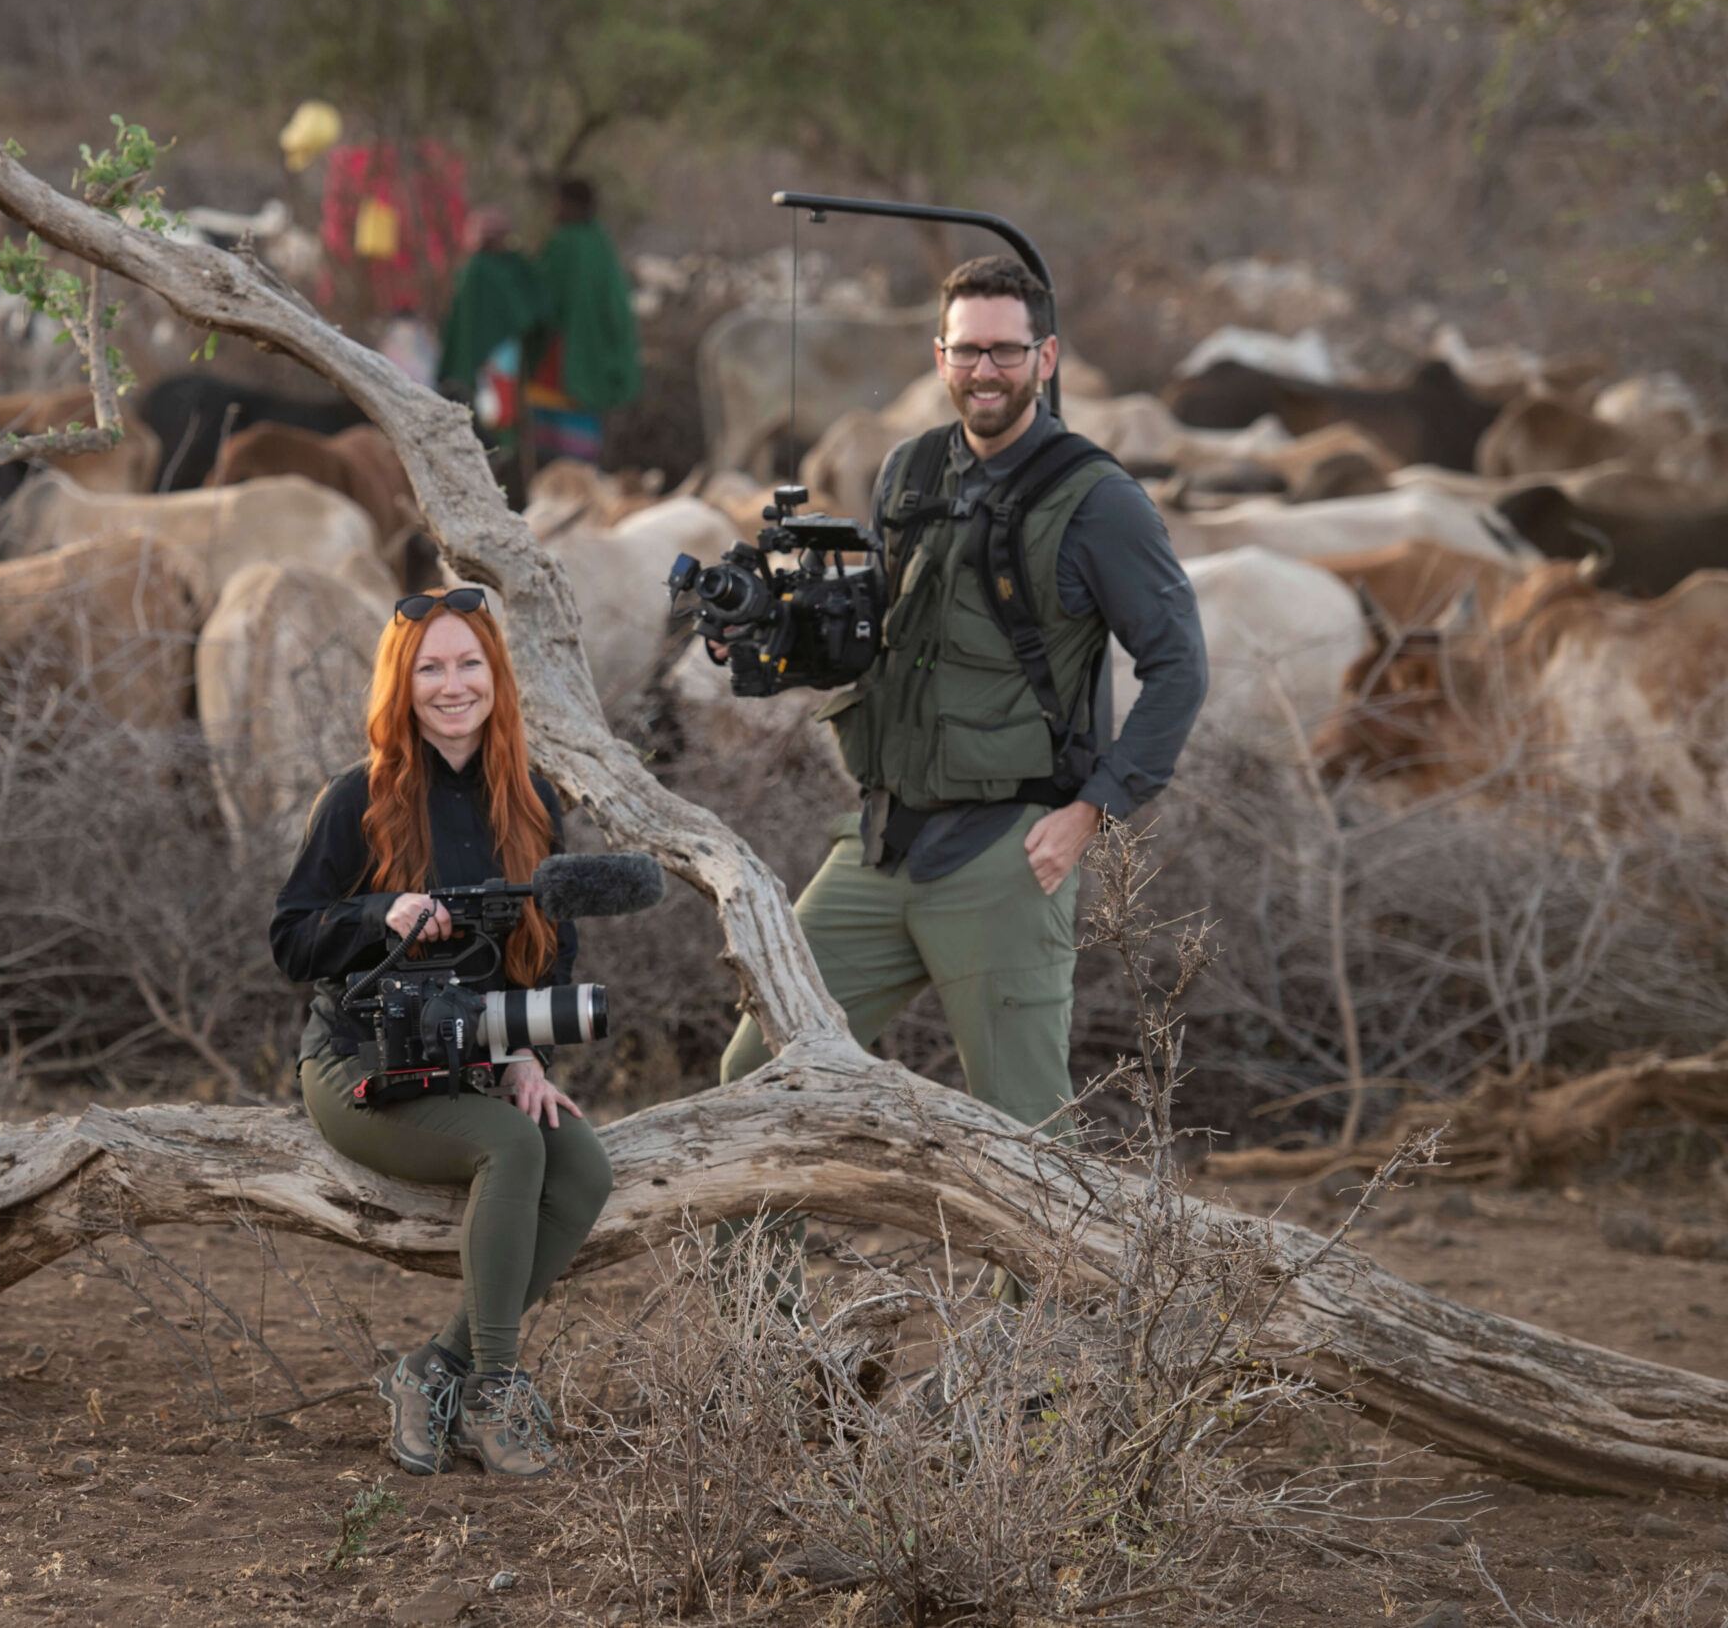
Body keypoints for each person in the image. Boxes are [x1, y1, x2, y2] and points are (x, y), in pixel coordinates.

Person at [716, 255, 1207, 1137]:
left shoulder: (1099, 500)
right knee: (757, 1073)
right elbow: (886, 637)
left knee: (1026, 1132)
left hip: (1005, 856)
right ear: (937, 355)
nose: (986, 371)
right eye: (968, 350)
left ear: (1045, 358)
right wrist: (776, 639)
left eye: (1006, 353)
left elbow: (1180, 664)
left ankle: (1040, 1286)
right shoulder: (907, 470)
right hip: (880, 841)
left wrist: (1095, 808)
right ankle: (761, 1285)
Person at [271, 587, 613, 1478]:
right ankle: (494, 1392)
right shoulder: (360, 797)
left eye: (469, 664)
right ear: (402, 682)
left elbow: (551, 944)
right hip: (358, 1061)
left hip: (477, 1053)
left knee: (581, 1163)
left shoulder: (530, 798)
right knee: (511, 1147)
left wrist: (527, 1054)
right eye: (431, 667)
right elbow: (291, 937)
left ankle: (434, 1371)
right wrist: (383, 915)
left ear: (495, 677)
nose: (452, 685)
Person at [525, 178, 641, 466]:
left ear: (571, 205)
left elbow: (542, 302)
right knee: (584, 446)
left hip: (559, 359)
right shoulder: (602, 244)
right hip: (594, 361)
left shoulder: (563, 244)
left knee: (550, 450)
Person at [434, 207, 546, 454]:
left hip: (493, 356)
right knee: (494, 412)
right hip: (495, 357)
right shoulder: (484, 271)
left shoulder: (488, 267)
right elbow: (522, 313)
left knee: (493, 409)